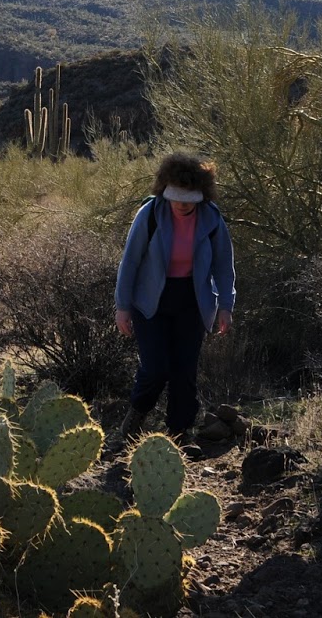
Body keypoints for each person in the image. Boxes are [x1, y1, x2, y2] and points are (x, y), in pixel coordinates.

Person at [114, 152, 235, 456]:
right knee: (156, 368)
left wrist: (225, 305)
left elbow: (223, 265)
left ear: (201, 194)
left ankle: (179, 434)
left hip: (191, 301)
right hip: (150, 301)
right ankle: (132, 423)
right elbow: (130, 262)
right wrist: (122, 306)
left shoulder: (211, 218)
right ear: (165, 190)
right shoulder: (150, 214)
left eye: (189, 198)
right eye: (177, 197)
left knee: (185, 370)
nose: (182, 204)